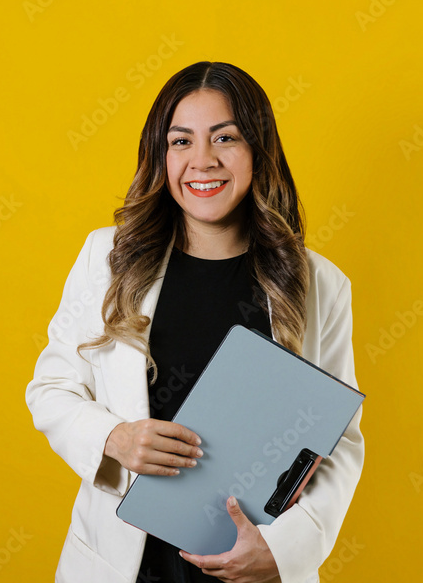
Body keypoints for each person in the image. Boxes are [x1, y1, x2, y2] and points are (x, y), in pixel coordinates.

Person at [26, 61, 364, 583]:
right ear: (160, 157)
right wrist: (114, 437)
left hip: (250, 565)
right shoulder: (106, 258)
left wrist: (283, 551)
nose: (201, 161)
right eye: (180, 142)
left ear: (258, 150)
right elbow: (50, 388)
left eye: (224, 138)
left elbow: (337, 440)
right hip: (123, 565)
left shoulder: (320, 283)